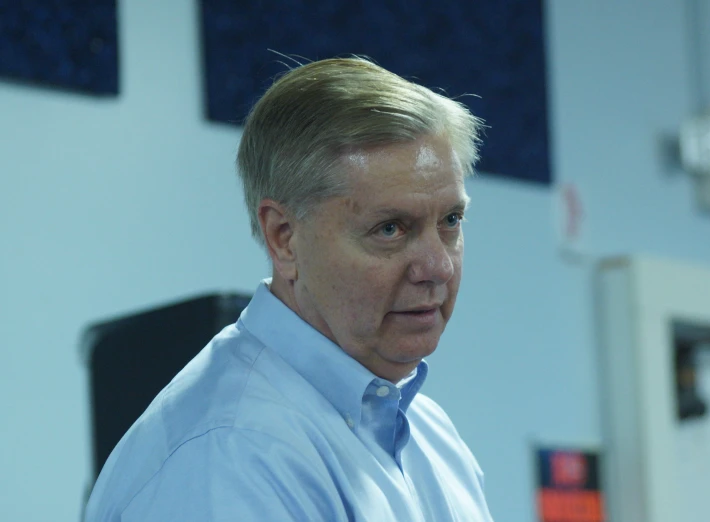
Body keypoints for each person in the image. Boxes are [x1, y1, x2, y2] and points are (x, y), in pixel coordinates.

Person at [84, 56, 493, 521]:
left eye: (451, 221)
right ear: (284, 237)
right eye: (390, 229)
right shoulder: (230, 453)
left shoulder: (431, 434)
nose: (438, 266)